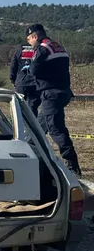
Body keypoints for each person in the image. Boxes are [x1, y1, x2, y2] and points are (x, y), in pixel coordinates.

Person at [26, 24, 81, 175]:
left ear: (35, 36)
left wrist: (29, 69)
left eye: (29, 39)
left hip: (51, 93)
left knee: (56, 128)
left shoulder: (42, 48)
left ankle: (72, 164)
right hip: (63, 91)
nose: (29, 42)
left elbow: (34, 70)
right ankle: (30, 157)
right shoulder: (58, 46)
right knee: (39, 128)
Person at [10, 44, 40, 116]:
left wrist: (13, 80)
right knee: (32, 107)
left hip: (21, 83)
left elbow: (13, 66)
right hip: (35, 83)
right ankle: (32, 125)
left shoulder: (19, 51)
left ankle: (19, 124)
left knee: (19, 106)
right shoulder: (39, 50)